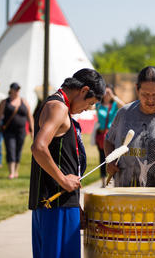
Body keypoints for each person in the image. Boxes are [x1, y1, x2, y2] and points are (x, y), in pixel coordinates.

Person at [28, 68, 105, 258]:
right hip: (55, 205)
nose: (88, 109)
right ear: (84, 90)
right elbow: (39, 147)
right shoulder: (58, 107)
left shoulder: (57, 105)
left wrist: (75, 203)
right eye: (90, 103)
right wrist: (63, 181)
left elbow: (63, 159)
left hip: (60, 203)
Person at [0, 82, 34, 179]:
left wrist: (32, 130)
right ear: (11, 90)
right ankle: (11, 172)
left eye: (18, 89)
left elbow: (30, 116)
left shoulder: (24, 101)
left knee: (18, 150)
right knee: (10, 149)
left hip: (21, 131)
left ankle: (16, 171)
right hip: (8, 131)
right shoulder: (5, 102)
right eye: (15, 89)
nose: (17, 91)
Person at [95, 84, 125, 187]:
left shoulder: (115, 105)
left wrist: (113, 96)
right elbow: (90, 106)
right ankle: (103, 182)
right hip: (101, 135)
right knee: (102, 158)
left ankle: (114, 180)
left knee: (115, 158)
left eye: (109, 92)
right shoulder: (98, 105)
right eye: (105, 92)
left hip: (113, 135)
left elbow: (124, 106)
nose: (107, 95)